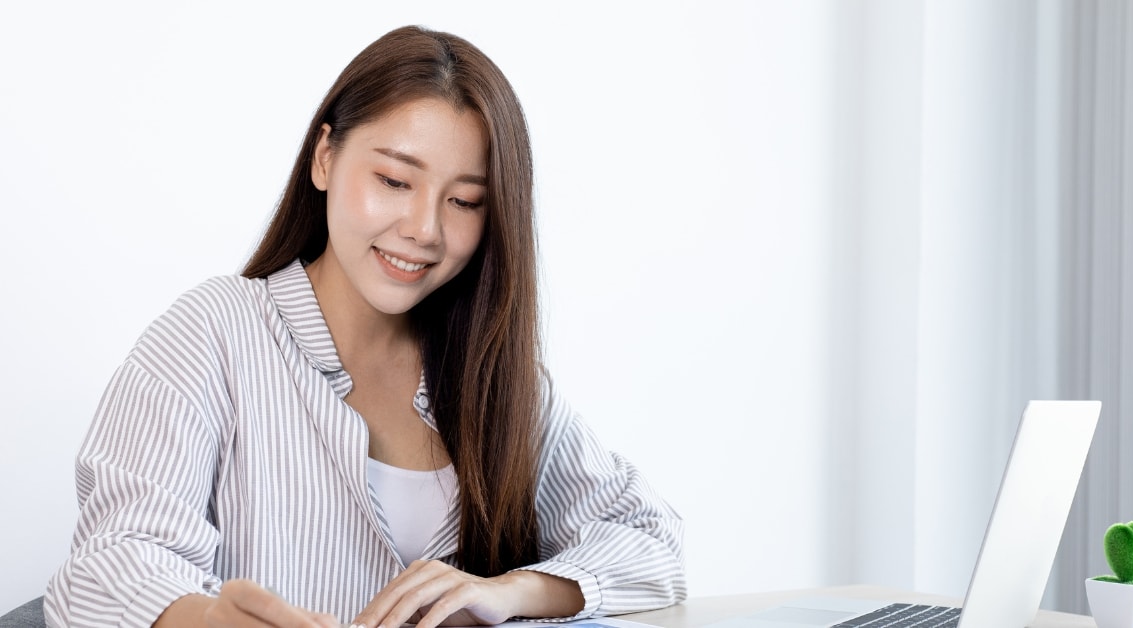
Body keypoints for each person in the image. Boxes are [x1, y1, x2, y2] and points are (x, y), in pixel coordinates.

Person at [44, 26, 686, 628]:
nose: (425, 230)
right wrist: (209, 620)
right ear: (324, 158)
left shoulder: (492, 371)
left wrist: (507, 591)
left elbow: (651, 542)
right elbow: (108, 564)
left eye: (464, 201)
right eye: (393, 179)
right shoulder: (215, 331)